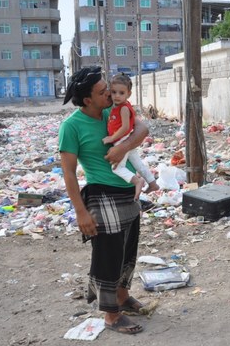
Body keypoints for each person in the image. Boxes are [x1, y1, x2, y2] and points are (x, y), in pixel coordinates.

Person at [58, 66, 146, 335]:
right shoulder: (71, 126)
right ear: (88, 100)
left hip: (126, 191)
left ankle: (122, 297)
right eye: (102, 91)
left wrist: (123, 146)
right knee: (107, 255)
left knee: (127, 250)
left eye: (109, 88)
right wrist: (81, 213)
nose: (109, 92)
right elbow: (69, 173)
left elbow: (142, 127)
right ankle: (111, 315)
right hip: (101, 194)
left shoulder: (113, 111)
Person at [103, 73, 158, 200]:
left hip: (121, 139)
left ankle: (137, 181)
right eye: (114, 92)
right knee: (137, 163)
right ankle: (152, 183)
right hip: (124, 138)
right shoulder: (119, 106)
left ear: (128, 94)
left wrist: (112, 138)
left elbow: (125, 127)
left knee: (117, 168)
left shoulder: (123, 108)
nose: (117, 96)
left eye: (121, 93)